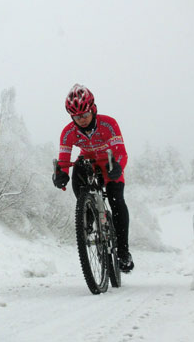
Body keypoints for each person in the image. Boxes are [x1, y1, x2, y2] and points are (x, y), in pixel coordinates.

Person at [52, 84, 134, 272]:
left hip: (109, 163)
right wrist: (60, 175)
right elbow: (64, 160)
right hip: (88, 162)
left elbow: (121, 152)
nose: (81, 120)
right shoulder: (68, 132)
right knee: (77, 172)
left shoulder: (108, 123)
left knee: (117, 200)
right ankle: (87, 216)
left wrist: (118, 167)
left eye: (85, 115)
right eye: (76, 117)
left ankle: (123, 252)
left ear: (93, 109)